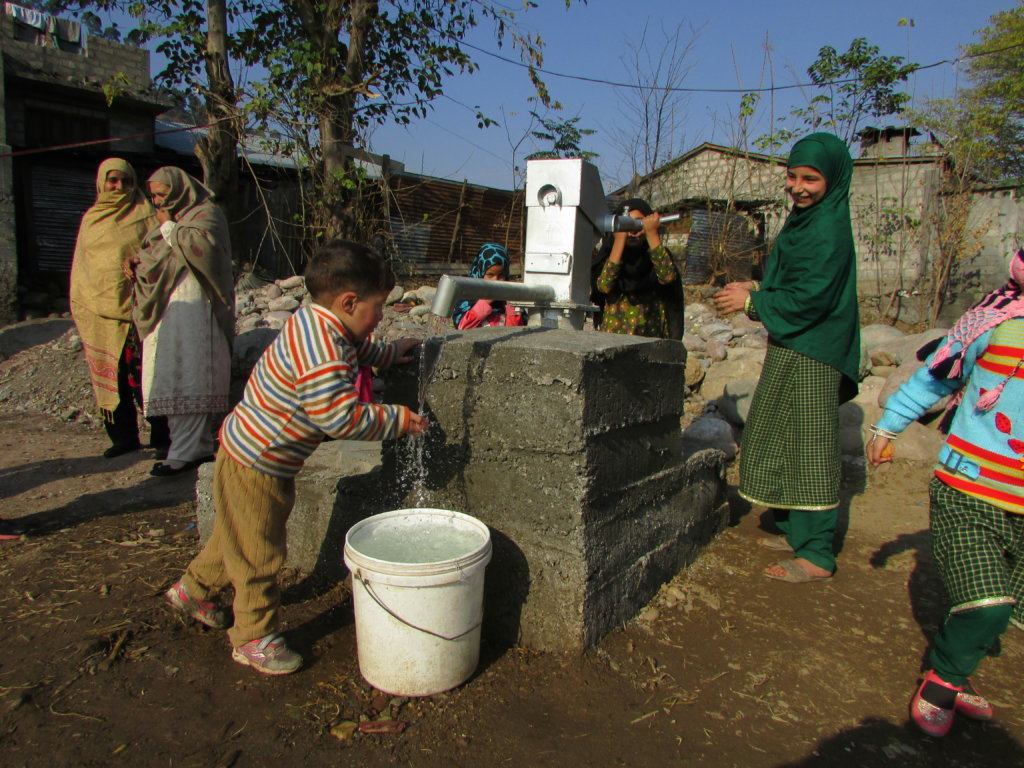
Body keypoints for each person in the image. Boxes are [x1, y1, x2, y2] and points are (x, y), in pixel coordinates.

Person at [164, 240, 428, 675]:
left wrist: (386, 354)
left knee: (235, 536)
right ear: (349, 301)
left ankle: (193, 590)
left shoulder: (320, 323)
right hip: (258, 461)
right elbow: (340, 418)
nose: (382, 316)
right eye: (378, 307)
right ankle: (251, 637)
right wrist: (395, 419)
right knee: (259, 553)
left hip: (250, 450)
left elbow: (356, 351)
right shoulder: (323, 348)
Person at [867, 249, 1024, 738]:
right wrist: (889, 427)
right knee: (989, 601)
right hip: (970, 487)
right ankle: (945, 677)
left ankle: (957, 668)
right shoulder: (995, 324)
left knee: (1010, 608)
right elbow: (936, 376)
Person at [713, 132, 860, 584]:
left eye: (810, 178)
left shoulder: (827, 228)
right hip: (796, 344)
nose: (798, 187)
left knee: (810, 447)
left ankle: (817, 554)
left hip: (815, 350)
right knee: (780, 430)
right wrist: (759, 290)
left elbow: (812, 297)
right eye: (792, 176)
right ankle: (797, 528)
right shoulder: (808, 220)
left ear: (832, 180)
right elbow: (793, 281)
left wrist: (753, 304)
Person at [131, 167, 235, 477]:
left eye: (163, 193)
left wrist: (170, 229)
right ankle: (194, 446)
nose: (159, 200)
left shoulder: (206, 214)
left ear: (180, 189)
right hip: (166, 306)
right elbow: (153, 254)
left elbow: (203, 249)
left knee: (190, 372)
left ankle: (185, 452)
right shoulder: (168, 221)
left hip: (197, 303)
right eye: (154, 196)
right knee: (169, 374)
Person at [70, 158, 167, 458]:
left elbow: (161, 253)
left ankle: (162, 436)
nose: (119, 187)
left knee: (147, 376)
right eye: (113, 181)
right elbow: (84, 269)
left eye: (126, 181)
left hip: (141, 310)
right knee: (113, 375)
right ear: (101, 182)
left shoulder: (146, 215)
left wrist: (139, 264)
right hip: (101, 314)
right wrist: (86, 303)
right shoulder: (91, 220)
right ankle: (123, 437)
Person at [592, 198, 682, 339]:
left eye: (638, 224)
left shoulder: (656, 256)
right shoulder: (611, 256)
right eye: (628, 224)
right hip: (613, 341)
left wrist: (652, 234)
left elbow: (667, 277)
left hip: (650, 340)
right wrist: (619, 240)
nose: (632, 232)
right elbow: (603, 286)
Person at [451, 243, 528, 329]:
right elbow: (463, 327)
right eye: (490, 275)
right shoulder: (468, 297)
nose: (495, 280)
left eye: (501, 276)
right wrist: (486, 301)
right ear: (480, 274)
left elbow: (517, 331)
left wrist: (511, 305)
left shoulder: (509, 301)